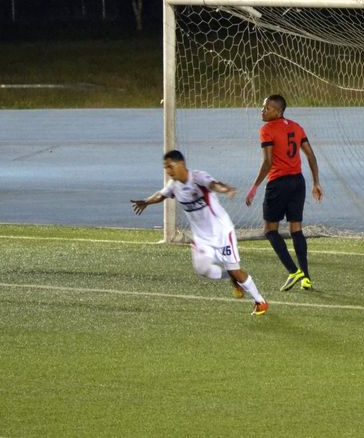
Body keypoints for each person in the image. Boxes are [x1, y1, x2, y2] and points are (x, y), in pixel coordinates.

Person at [131, 150, 268, 316]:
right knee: (202, 270)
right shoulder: (174, 185)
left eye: (170, 166)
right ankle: (231, 277)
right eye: (165, 167)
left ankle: (260, 301)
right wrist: (146, 202)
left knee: (237, 271)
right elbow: (161, 195)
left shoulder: (198, 178)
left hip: (222, 232)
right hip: (202, 238)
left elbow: (213, 184)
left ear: (181, 163)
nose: (168, 171)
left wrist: (225, 189)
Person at [245, 94, 323, 291]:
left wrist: (254, 187)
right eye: (263, 107)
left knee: (270, 230)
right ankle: (306, 277)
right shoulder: (296, 127)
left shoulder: (267, 130)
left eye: (268, 108)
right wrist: (316, 182)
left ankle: (293, 270)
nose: (263, 110)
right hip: (298, 182)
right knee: (295, 229)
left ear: (278, 112)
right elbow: (311, 155)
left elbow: (268, 162)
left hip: (278, 184)